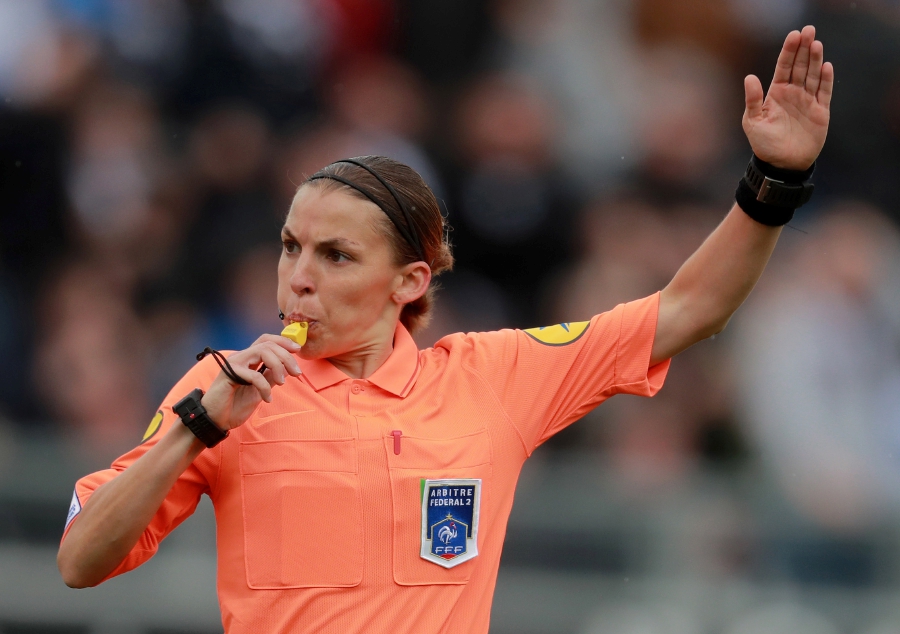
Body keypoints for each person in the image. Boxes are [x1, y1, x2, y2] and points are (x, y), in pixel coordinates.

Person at [57, 27, 833, 634]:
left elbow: (691, 308)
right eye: (290, 245)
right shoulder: (224, 390)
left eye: (336, 255)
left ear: (410, 282)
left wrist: (773, 181)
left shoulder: (489, 379)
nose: (299, 274)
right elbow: (80, 562)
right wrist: (192, 433)